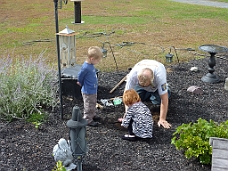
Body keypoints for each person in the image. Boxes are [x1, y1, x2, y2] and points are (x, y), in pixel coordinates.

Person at [124, 59, 171, 129]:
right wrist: (128, 113)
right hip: (142, 80)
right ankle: (146, 93)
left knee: (158, 100)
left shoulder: (160, 77)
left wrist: (162, 119)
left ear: (151, 80)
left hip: (155, 86)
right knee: (135, 98)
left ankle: (164, 90)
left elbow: (164, 99)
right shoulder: (133, 75)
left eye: (145, 84)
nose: (143, 85)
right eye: (142, 84)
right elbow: (126, 95)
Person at [77, 46, 103, 127]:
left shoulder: (90, 65)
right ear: (92, 58)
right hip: (88, 91)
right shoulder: (86, 67)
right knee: (89, 105)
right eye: (97, 60)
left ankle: (92, 115)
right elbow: (80, 75)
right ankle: (88, 119)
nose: (98, 61)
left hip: (93, 90)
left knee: (93, 103)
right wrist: (80, 82)